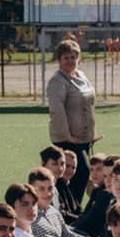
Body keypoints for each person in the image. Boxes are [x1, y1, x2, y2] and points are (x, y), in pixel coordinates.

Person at [46, 39, 95, 202]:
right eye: (66, 57)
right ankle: (71, 213)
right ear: (59, 59)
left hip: (83, 138)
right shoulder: (57, 81)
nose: (70, 61)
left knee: (78, 176)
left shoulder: (80, 75)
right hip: (68, 139)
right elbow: (56, 110)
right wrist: (67, 136)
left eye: (73, 57)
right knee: (80, 173)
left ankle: (73, 211)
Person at [28, 167, 92, 237]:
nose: (48, 193)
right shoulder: (28, 217)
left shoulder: (53, 212)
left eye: (50, 188)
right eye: (41, 189)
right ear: (31, 190)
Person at [58, 150, 83, 224]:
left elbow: (78, 208)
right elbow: (61, 213)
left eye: (73, 168)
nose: (70, 170)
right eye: (67, 166)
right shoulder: (55, 185)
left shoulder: (69, 184)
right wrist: (80, 219)